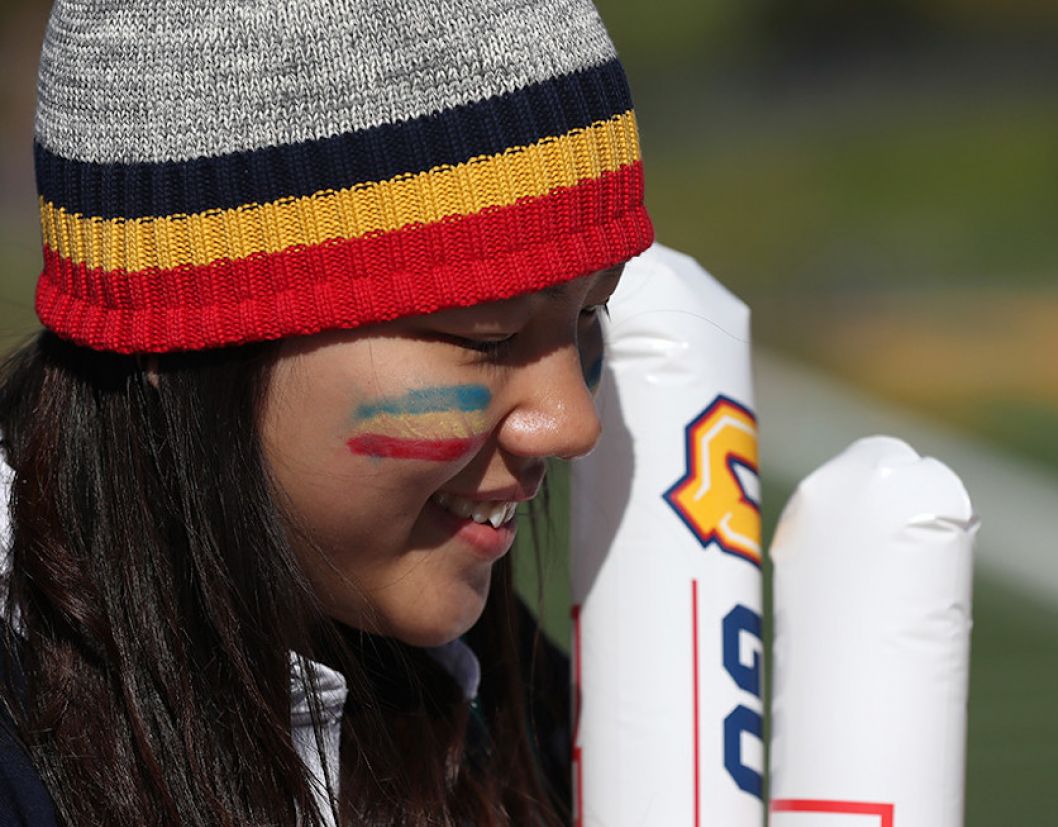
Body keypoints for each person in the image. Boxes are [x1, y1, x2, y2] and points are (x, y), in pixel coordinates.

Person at [0, 0, 653, 823]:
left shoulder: (514, 703)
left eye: (591, 312)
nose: (570, 421)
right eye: (485, 337)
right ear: (173, 333)